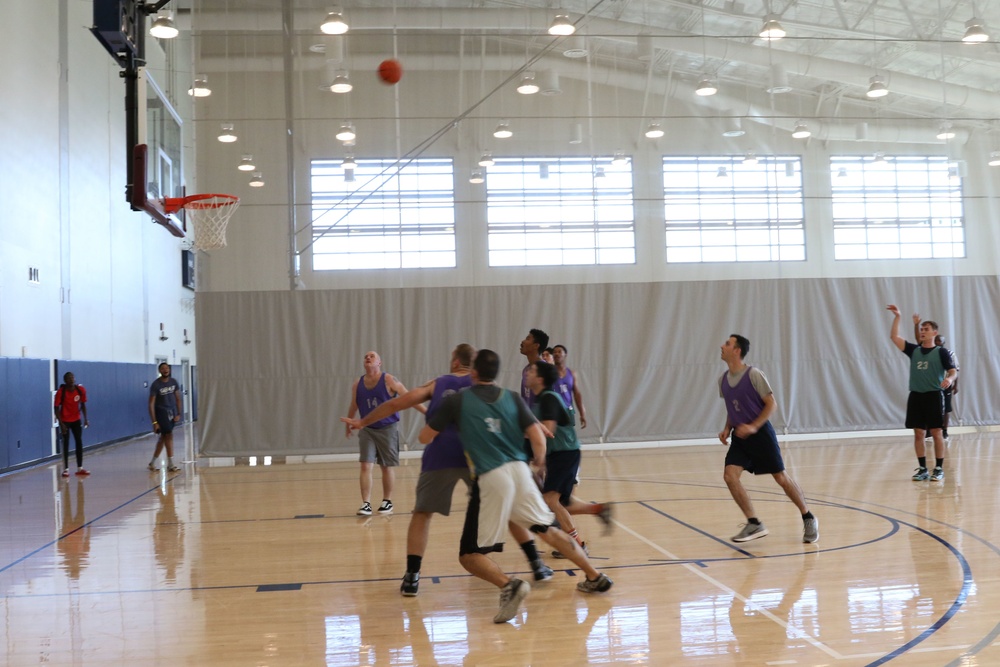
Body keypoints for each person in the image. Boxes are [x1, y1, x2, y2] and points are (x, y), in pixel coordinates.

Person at [341, 344, 555, 596]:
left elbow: (397, 403)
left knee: (422, 514)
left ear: (455, 362)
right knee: (505, 509)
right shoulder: (485, 385)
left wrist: (363, 421)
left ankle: (412, 576)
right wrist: (535, 425)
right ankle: (536, 564)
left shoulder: (438, 383)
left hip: (440, 455)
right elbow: (509, 408)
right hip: (477, 457)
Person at [420, 349, 613, 624]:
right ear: (496, 373)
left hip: (491, 478)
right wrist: (540, 462)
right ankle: (595, 576)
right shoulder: (511, 398)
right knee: (547, 529)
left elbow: (425, 435)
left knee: (470, 555)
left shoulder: (458, 401)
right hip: (521, 472)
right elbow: (538, 436)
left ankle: (509, 585)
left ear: (473, 372)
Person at [718, 334, 818, 544]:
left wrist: (754, 426)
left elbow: (771, 404)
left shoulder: (754, 375)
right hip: (740, 436)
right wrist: (727, 428)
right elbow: (733, 407)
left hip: (761, 434)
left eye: (727, 344)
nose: (722, 346)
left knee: (780, 478)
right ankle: (754, 522)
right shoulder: (723, 381)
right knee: (729, 475)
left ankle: (808, 516)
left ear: (737, 351)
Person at [525, 360, 612, 557]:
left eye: (531, 371)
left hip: (565, 454)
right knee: (562, 504)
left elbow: (547, 431)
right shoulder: (542, 399)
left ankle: (577, 546)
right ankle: (599, 509)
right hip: (559, 454)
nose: (527, 373)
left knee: (550, 500)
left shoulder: (548, 399)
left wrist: (536, 454)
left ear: (540, 379)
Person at [345, 351, 420, 516]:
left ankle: (387, 501)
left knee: (386, 466)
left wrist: (424, 411)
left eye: (372, 356)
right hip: (368, 429)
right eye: (366, 356)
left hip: (388, 428)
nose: (368, 357)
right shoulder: (358, 384)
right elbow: (354, 404)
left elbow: (408, 396)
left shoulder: (388, 379)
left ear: (380, 362)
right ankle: (366, 503)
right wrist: (349, 422)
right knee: (365, 464)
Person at [890, 306, 957, 481]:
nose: (922, 332)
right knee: (918, 433)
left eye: (926, 329)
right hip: (916, 396)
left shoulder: (941, 352)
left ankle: (939, 468)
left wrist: (949, 379)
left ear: (935, 333)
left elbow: (953, 371)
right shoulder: (914, 351)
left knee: (936, 432)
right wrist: (898, 316)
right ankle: (922, 468)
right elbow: (894, 338)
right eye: (921, 329)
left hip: (934, 395)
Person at [913, 315, 959, 441]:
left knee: (946, 409)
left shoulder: (947, 353)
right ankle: (928, 432)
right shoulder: (925, 350)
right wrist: (916, 325)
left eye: (940, 341)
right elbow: (918, 340)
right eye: (937, 341)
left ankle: (944, 432)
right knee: (928, 409)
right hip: (931, 385)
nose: (938, 343)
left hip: (945, 385)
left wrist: (953, 383)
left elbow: (955, 370)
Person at [148, 362, 182, 472]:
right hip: (161, 412)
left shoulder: (173, 382)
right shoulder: (156, 385)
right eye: (163, 368)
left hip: (171, 412)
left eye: (167, 368)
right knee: (169, 435)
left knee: (163, 438)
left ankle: (152, 463)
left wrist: (178, 413)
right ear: (159, 371)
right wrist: (154, 422)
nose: (165, 370)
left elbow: (177, 398)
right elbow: (151, 404)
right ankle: (171, 464)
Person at [54, 372, 89, 477]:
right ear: (65, 380)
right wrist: (61, 423)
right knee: (66, 443)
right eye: (69, 378)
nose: (71, 379)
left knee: (79, 442)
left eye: (72, 377)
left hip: (76, 419)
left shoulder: (80, 390)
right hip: (65, 420)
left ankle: (80, 468)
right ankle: (66, 469)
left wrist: (86, 419)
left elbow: (83, 405)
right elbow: (56, 408)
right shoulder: (61, 392)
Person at [551, 344, 588, 429]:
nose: (556, 354)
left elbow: (577, 394)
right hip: (553, 411)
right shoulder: (548, 373)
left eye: (559, 352)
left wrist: (582, 414)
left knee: (569, 437)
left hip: (568, 411)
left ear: (565, 355)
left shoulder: (572, 373)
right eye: (554, 352)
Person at [518, 328, 549, 408]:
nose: (523, 341)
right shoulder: (526, 370)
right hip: (529, 418)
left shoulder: (545, 369)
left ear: (536, 346)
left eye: (528, 339)